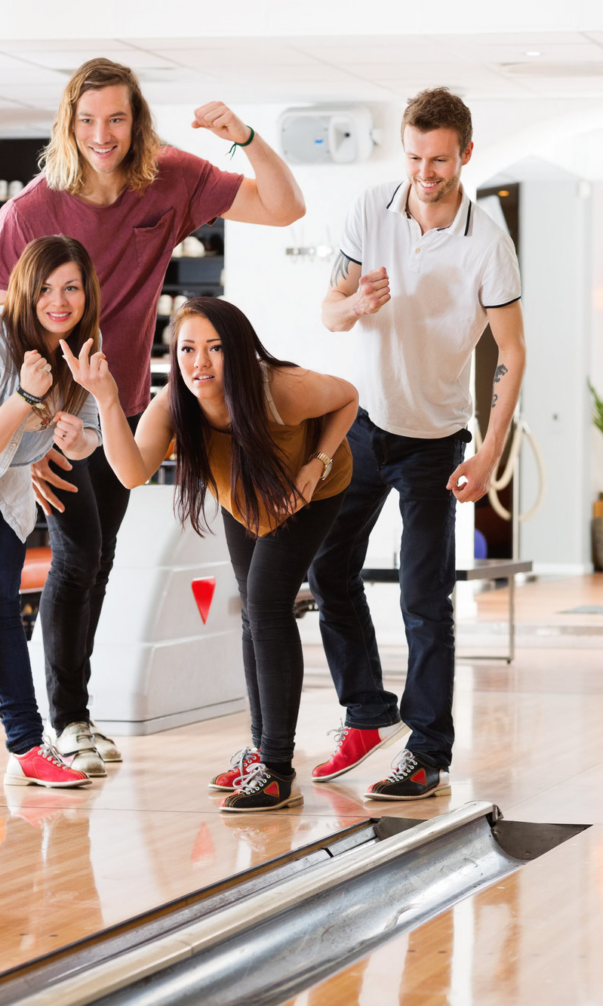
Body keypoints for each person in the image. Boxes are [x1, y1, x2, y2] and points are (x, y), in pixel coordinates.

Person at [0, 57, 305, 776]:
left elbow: (284, 206)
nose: (102, 135)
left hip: (125, 410)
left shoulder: (168, 176)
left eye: (116, 118)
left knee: (99, 559)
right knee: (79, 554)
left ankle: (76, 714)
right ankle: (66, 719)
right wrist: (32, 431)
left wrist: (248, 137)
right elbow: (10, 323)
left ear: (135, 122)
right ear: (67, 126)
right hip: (58, 414)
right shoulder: (30, 213)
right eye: (87, 120)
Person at [310, 87, 526, 801]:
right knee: (326, 568)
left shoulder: (487, 241)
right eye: (413, 156)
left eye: (438, 159)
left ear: (464, 154)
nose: (423, 172)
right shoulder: (370, 208)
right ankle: (368, 711)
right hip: (362, 426)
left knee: (425, 599)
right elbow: (330, 312)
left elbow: (512, 351)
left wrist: (489, 452)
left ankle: (428, 751)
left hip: (435, 441)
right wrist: (355, 303)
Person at [65, 296, 358, 812]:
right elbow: (131, 472)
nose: (199, 362)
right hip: (244, 495)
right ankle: (262, 749)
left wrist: (316, 463)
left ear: (238, 351)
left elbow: (348, 397)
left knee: (267, 606)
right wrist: (108, 399)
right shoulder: (174, 404)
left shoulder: (281, 391)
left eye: (215, 349)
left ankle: (277, 768)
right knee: (253, 610)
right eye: (187, 349)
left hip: (311, 487)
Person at [0, 237, 102, 789]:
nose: (58, 301)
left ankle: (27, 742)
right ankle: (27, 742)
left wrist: (77, 436)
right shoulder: (2, 338)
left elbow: (90, 435)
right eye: (45, 288)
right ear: (25, 290)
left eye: (70, 287)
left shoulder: (83, 345)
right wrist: (23, 397)